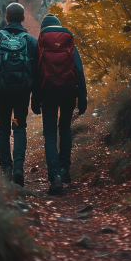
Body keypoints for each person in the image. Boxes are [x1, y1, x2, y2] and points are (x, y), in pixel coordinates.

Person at [0, 3, 37, 187]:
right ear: (23, 18)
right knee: (19, 127)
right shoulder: (30, 40)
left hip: (2, 91)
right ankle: (18, 166)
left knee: (3, 129)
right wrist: (35, 95)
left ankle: (6, 169)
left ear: (6, 18)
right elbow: (37, 71)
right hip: (22, 92)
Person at [31, 14, 87, 195]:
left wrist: (34, 98)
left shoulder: (40, 43)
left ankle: (54, 176)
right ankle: (65, 170)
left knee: (49, 135)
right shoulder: (68, 42)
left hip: (47, 93)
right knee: (65, 129)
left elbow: (35, 72)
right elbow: (78, 68)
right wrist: (83, 96)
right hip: (69, 92)